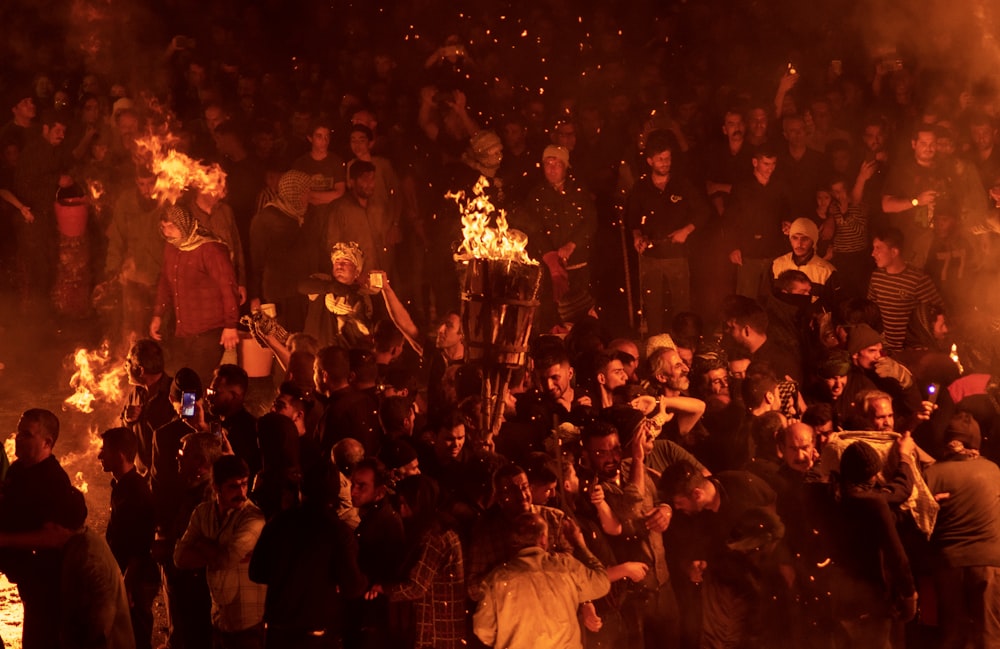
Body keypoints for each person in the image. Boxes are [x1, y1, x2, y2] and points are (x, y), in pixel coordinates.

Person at [249, 461, 367, 649]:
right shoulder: (338, 532)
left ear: (301, 488)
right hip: (317, 635)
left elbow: (256, 572)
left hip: (278, 632)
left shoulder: (279, 523)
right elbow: (352, 587)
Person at [0, 408, 89, 649]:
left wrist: (5, 540)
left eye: (27, 435)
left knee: (40, 640)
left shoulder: (53, 481)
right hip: (26, 577)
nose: (18, 438)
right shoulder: (18, 470)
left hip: (48, 582)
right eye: (19, 432)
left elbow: (55, 538)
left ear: (47, 442)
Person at [472, 511, 610, 649]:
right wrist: (581, 546)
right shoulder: (565, 566)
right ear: (544, 539)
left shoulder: (496, 579)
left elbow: (483, 630)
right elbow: (601, 583)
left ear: (513, 541)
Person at [923, 412, 1000, 649]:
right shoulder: (994, 471)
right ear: (976, 441)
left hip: (949, 564)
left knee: (954, 637)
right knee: (989, 637)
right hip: (990, 563)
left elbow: (921, 523)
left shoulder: (931, 474)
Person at [174, 455, 268, 648]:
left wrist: (201, 544)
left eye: (244, 484)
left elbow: (226, 559)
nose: (242, 492)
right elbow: (179, 558)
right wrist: (217, 553)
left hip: (248, 624)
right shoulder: (203, 513)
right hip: (219, 620)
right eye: (233, 486)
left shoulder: (253, 518)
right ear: (216, 487)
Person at [365, 474, 466, 649]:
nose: (403, 511)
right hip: (439, 628)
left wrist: (382, 588)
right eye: (400, 504)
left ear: (421, 502)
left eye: (407, 504)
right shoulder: (432, 531)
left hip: (436, 631)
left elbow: (416, 586)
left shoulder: (436, 537)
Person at [626, 129, 709, 334]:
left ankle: (685, 344)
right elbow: (631, 218)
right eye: (661, 159)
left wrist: (686, 230)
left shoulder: (681, 184)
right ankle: (656, 345)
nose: (665, 163)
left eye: (668, 158)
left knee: (681, 305)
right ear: (650, 161)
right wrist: (637, 236)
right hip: (650, 255)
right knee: (652, 306)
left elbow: (703, 211)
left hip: (677, 254)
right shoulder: (641, 187)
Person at [151, 204, 239, 386]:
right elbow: (165, 282)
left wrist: (231, 325)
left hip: (209, 330)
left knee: (195, 380)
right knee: (185, 377)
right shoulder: (172, 248)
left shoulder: (210, 250)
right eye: (164, 227)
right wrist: (158, 314)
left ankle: (192, 412)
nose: (167, 232)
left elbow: (228, 287)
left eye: (172, 227)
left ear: (184, 225)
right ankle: (192, 411)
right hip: (185, 330)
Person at [517, 144, 597, 326]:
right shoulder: (537, 194)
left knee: (579, 314)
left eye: (557, 164)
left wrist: (571, 245)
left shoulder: (579, 192)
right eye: (547, 164)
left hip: (577, 265)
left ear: (566, 167)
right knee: (550, 315)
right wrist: (550, 255)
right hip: (548, 268)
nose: (552, 169)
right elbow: (533, 228)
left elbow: (590, 222)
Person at [98, 427, 158, 649]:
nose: (99, 455)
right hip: (129, 576)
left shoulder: (134, 491)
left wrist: (128, 585)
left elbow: (139, 546)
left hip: (136, 579)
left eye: (104, 450)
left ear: (121, 455)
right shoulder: (123, 486)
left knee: (135, 637)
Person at [867, 227, 943, 351]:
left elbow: (937, 311)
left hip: (912, 349)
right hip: (886, 347)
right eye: (873, 248)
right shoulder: (877, 277)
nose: (873, 253)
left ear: (894, 252)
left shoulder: (917, 279)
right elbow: (872, 308)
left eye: (878, 248)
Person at [120, 338, 174, 475]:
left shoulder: (175, 393)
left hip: (165, 477)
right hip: (141, 475)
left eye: (128, 363)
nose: (125, 368)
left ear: (140, 370)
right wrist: (128, 419)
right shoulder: (136, 393)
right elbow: (125, 431)